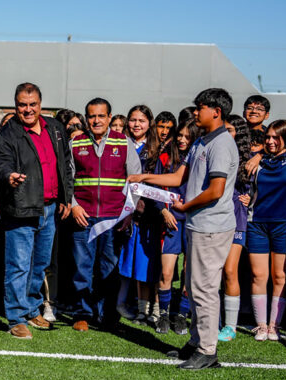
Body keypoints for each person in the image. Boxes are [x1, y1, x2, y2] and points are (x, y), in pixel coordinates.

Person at [129, 88, 238, 370]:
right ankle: (195, 342)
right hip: (198, 223)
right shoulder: (202, 140)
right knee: (195, 284)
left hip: (212, 226)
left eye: (200, 107)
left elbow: (216, 190)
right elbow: (180, 175)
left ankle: (207, 350)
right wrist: (145, 176)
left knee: (204, 289)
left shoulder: (222, 144)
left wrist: (185, 206)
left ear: (216, 111)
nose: (195, 112)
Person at [0, 83, 73, 339]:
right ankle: (16, 317)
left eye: (32, 104)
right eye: (22, 105)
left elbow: (65, 165)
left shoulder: (55, 129)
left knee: (39, 265)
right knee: (18, 266)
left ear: (40, 104)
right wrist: (8, 176)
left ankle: (31, 308)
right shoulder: (7, 134)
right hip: (20, 209)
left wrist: (66, 197)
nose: (28, 109)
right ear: (16, 106)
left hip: (49, 209)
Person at [69, 97, 142, 332]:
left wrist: (129, 213)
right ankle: (82, 313)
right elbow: (66, 180)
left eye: (101, 116)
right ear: (86, 118)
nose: (96, 120)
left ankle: (107, 314)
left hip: (114, 218)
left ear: (110, 118)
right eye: (92, 116)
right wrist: (73, 205)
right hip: (83, 216)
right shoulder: (76, 143)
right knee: (82, 268)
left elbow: (135, 181)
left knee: (108, 269)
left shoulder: (124, 143)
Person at [245, 120, 286, 342]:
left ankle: (274, 326)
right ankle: (260, 326)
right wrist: (259, 156)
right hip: (257, 223)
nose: (270, 141)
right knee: (259, 275)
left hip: (284, 224)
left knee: (280, 276)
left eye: (275, 137)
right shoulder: (259, 160)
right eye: (267, 137)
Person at [117, 105, 161, 325]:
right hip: (123, 211)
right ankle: (129, 305)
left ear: (149, 123)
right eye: (132, 120)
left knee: (148, 262)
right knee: (127, 261)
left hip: (149, 212)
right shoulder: (120, 144)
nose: (136, 124)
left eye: (141, 120)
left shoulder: (156, 149)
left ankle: (154, 309)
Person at [155, 119, 201, 335]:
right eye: (180, 135)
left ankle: (181, 316)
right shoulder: (165, 156)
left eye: (187, 136)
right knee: (166, 271)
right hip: (170, 220)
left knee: (188, 272)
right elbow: (153, 187)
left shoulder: (202, 157)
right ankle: (163, 314)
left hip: (193, 220)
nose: (182, 139)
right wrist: (163, 211)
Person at [216, 115, 251, 342]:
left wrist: (251, 199)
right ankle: (212, 319)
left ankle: (230, 326)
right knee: (214, 272)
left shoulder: (248, 159)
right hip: (215, 217)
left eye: (230, 130)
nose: (226, 134)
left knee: (230, 271)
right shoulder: (216, 150)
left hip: (236, 218)